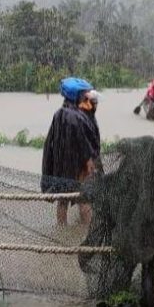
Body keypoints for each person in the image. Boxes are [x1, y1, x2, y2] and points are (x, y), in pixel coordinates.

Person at [41, 77, 99, 226]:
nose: (87, 97)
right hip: (79, 167)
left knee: (63, 200)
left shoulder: (59, 113)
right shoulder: (77, 116)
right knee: (84, 199)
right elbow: (85, 143)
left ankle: (62, 230)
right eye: (85, 94)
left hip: (62, 166)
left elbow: (51, 143)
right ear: (77, 95)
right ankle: (87, 232)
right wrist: (90, 163)